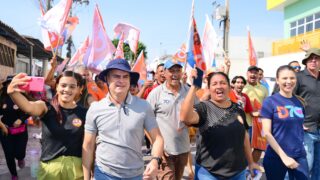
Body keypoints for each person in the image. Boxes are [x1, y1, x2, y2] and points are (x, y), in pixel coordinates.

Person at [82, 58, 163, 180]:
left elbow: (158, 139)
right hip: (104, 174)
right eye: (116, 76)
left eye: (125, 77)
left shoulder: (144, 106)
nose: (121, 80)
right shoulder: (95, 108)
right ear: (107, 79)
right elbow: (88, 146)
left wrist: (155, 161)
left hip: (135, 175)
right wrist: (86, 178)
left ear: (130, 80)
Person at [7, 71, 87, 180]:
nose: (67, 90)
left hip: (76, 171)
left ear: (79, 89)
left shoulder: (85, 113)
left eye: (72, 87)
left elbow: (88, 144)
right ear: (57, 87)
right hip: (49, 171)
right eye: (63, 85)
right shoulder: (46, 107)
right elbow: (28, 107)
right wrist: (13, 92)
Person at [180, 71, 260, 179]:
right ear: (209, 88)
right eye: (214, 84)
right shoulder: (204, 108)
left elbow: (244, 136)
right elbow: (185, 117)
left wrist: (251, 162)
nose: (219, 86)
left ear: (229, 87)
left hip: (238, 172)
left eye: (223, 83)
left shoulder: (238, 109)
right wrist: (194, 86)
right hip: (209, 173)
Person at [147, 59, 195, 180]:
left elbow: (198, 112)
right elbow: (145, 121)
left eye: (177, 70)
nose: (174, 74)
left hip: (183, 149)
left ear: (181, 72)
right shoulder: (156, 93)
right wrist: (157, 145)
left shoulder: (188, 91)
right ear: (164, 73)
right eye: (171, 71)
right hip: (164, 152)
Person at [261, 65, 308, 179]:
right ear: (277, 80)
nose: (289, 81)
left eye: (292, 78)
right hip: (276, 156)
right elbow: (266, 133)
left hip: (299, 155)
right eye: (284, 78)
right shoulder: (270, 101)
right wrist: (284, 157)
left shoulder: (299, 102)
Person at [295, 48, 320, 179]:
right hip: (305, 128)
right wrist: (296, 121)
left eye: (316, 58)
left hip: (319, 128)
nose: (314, 61)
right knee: (306, 166)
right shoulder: (298, 77)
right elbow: (286, 99)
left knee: (318, 168)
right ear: (306, 61)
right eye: (311, 58)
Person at [0, 75, 29, 180]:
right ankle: (14, 174)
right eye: (9, 83)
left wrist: (21, 119)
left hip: (21, 131)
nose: (11, 85)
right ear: (7, 85)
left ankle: (20, 158)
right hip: (5, 131)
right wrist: (2, 125)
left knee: (20, 152)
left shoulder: (23, 96)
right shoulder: (1, 97)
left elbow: (30, 111)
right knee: (9, 154)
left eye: (14, 83)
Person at [243, 65, 268, 163]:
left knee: (259, 147)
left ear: (258, 75)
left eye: (255, 73)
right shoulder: (242, 86)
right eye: (251, 72)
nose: (253, 74)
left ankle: (251, 168)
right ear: (247, 74)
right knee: (245, 147)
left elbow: (267, 105)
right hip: (245, 123)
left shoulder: (264, 89)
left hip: (259, 123)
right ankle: (243, 169)